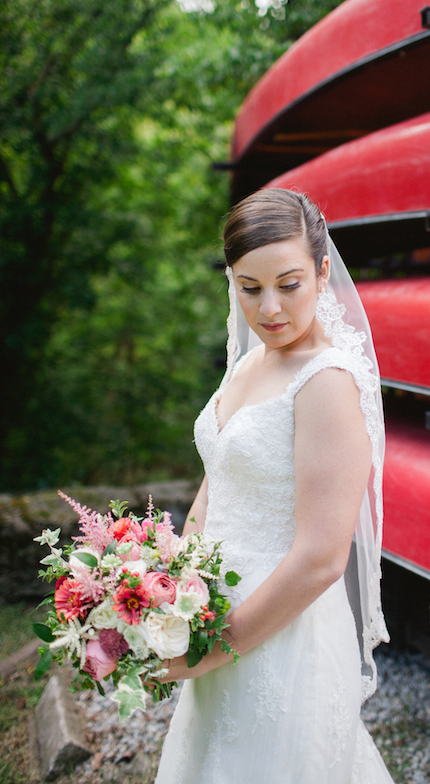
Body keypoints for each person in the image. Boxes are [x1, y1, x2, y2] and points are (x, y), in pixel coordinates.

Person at [155, 188, 394, 783]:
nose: (269, 310)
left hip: (282, 634)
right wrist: (167, 584)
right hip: (212, 611)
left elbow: (320, 559)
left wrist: (215, 648)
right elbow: (217, 488)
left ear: (320, 272)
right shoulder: (249, 363)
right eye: (249, 287)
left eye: (288, 285)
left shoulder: (327, 383)